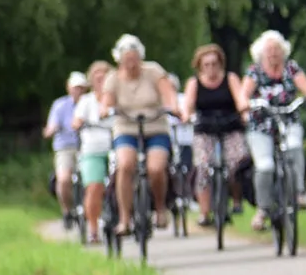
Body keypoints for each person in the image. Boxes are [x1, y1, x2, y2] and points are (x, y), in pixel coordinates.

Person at [244, 30, 306, 231]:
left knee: (295, 147)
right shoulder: (255, 71)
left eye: (277, 49)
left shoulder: (291, 68)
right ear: (261, 53)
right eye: (269, 50)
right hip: (261, 125)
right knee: (265, 166)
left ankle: (299, 192)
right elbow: (243, 94)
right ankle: (262, 209)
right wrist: (244, 105)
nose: (273, 54)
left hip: (288, 119)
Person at [101, 34, 180, 231]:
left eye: (135, 58)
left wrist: (174, 106)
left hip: (155, 125)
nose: (131, 63)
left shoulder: (153, 71)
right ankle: (125, 219)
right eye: (127, 59)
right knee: (125, 165)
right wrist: (105, 109)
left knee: (156, 167)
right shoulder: (113, 78)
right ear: (119, 59)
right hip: (126, 127)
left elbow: (168, 92)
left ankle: (160, 209)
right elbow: (106, 101)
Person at [178, 45, 251, 229]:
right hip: (205, 128)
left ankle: (236, 200)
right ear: (200, 66)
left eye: (214, 64)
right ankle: (204, 212)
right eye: (207, 64)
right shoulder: (194, 83)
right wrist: (186, 115)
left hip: (230, 125)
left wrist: (244, 111)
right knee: (203, 166)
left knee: (237, 161)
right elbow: (188, 104)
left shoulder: (230, 79)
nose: (211, 68)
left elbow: (240, 98)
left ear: (220, 64)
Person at [75, 61, 114, 237]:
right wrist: (78, 123)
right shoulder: (85, 101)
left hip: (114, 145)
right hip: (92, 148)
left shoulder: (116, 97)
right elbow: (76, 120)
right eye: (97, 78)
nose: (101, 81)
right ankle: (93, 228)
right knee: (94, 187)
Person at [44, 71, 89, 218]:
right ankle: (67, 209)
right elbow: (52, 125)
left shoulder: (90, 103)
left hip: (87, 145)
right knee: (63, 179)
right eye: (75, 87)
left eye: (81, 88)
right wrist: (51, 130)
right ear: (69, 88)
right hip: (66, 146)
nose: (78, 91)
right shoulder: (60, 105)